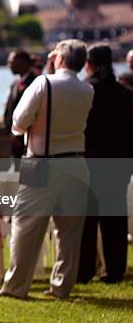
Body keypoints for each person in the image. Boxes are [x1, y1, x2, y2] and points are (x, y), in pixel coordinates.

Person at [0, 39, 94, 299]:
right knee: (70, 232)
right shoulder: (86, 89)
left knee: (25, 227)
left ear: (60, 58)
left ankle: (16, 286)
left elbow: (19, 120)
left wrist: (21, 130)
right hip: (76, 163)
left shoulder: (43, 83)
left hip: (41, 162)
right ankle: (61, 287)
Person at [77, 44, 133, 284]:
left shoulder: (85, 91)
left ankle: (85, 269)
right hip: (118, 162)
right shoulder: (125, 93)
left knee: (86, 221)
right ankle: (115, 268)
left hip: (89, 160)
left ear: (88, 64)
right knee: (115, 219)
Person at [4, 49, 37, 158]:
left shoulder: (35, 83)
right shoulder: (14, 84)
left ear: (22, 62)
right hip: (13, 139)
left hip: (27, 141)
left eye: (11, 61)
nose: (9, 65)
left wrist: (20, 135)